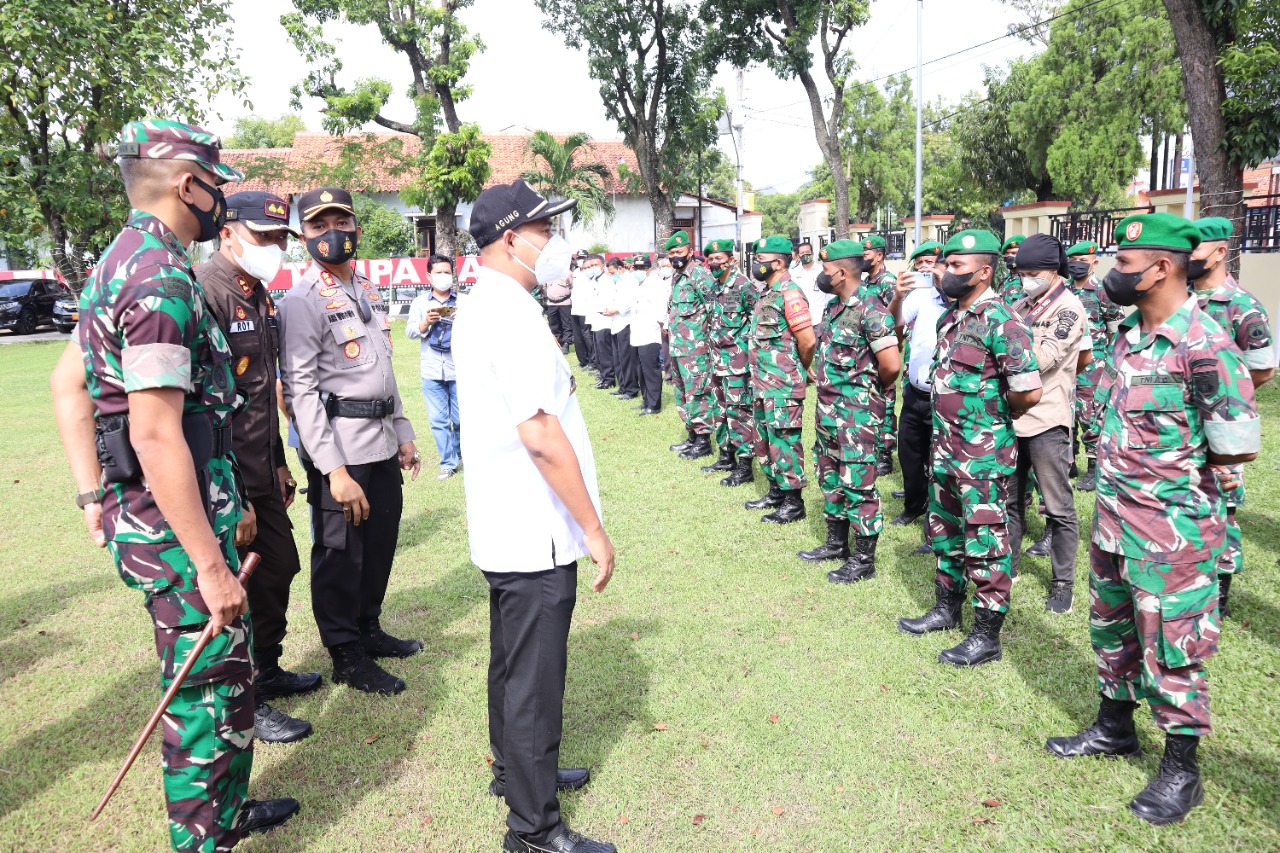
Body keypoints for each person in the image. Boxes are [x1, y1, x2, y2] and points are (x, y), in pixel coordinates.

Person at [51, 119, 298, 850]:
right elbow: (155, 434)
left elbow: (70, 384)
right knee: (204, 695)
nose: (222, 199)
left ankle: (226, 810)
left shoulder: (124, 258)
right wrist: (211, 564)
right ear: (188, 185)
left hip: (164, 519)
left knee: (225, 678)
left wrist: (93, 495)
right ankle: (204, 837)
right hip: (177, 533)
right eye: (217, 185)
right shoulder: (158, 278)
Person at [1046, 212, 1260, 826]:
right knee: (1112, 628)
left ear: (1162, 268)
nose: (1114, 273)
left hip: (1173, 530)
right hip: (1114, 517)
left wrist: (1168, 483)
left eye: (1125, 265)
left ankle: (1181, 770)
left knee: (1174, 647)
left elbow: (1235, 445)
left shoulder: (1206, 345)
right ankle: (1114, 727)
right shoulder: (1126, 333)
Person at [454, 179, 617, 853]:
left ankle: (521, 772)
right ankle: (534, 827)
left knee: (510, 662)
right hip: (537, 527)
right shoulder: (510, 312)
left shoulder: (487, 302)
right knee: (533, 679)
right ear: (512, 238)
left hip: (508, 522)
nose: (554, 243)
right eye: (545, 231)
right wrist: (594, 529)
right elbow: (542, 433)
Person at [278, 187, 423, 696]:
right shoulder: (301, 301)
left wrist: (403, 432)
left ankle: (368, 628)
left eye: (341, 221)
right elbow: (300, 391)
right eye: (319, 226)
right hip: (339, 448)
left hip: (382, 440)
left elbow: (384, 368)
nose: (332, 233)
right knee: (341, 554)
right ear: (304, 238)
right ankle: (345, 654)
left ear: (356, 227)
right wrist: (333, 471)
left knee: (379, 543)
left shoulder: (365, 288)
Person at [197, 190, 318, 745]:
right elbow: (204, 407)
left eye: (278, 239)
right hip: (224, 482)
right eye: (262, 237)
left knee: (279, 568)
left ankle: (265, 672)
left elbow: (258, 394)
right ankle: (250, 696)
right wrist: (237, 496)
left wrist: (277, 466)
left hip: (260, 469)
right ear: (227, 233)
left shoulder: (257, 293)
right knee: (245, 585)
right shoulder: (206, 293)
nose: (273, 248)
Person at [897, 229, 1042, 668]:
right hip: (944, 450)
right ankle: (946, 607)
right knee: (945, 532)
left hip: (983, 455)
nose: (945, 272)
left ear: (983, 271)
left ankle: (986, 634)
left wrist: (987, 419)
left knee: (985, 540)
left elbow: (1028, 392)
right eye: (945, 265)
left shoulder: (1004, 321)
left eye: (956, 266)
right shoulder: (950, 319)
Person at [1187, 216, 1275, 617]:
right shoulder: (1183, 299)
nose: (1188, 258)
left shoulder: (1242, 306)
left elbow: (1261, 369)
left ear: (1220, 252)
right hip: (1182, 429)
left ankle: (1220, 589)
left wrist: (1222, 403)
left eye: (1196, 250)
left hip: (1222, 427)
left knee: (1223, 506)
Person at [798, 240, 901, 582]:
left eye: (827, 271)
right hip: (828, 412)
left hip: (856, 415)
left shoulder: (872, 309)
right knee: (830, 477)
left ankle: (863, 560)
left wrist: (863, 394)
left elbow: (890, 366)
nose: (823, 276)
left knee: (858, 483)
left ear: (841, 273)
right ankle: (836, 543)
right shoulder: (833, 307)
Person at [1003, 234, 1085, 614]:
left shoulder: (1068, 308)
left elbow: (1045, 357)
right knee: (1011, 500)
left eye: (1032, 273)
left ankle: (1062, 584)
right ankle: (1011, 567)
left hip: (1046, 421)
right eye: (1021, 273)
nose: (1025, 279)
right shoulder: (1023, 302)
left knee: (1058, 507)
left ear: (1053, 272)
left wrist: (1000, 353)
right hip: (1013, 418)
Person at [744, 235, 816, 524]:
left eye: (760, 260)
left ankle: (793, 502)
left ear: (777, 262)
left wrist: (797, 369)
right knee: (765, 440)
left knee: (785, 441)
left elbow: (807, 341)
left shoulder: (791, 294)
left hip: (783, 386)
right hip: (762, 383)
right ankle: (776, 491)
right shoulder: (767, 293)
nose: (755, 265)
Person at [887, 242, 947, 556]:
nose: (929, 269)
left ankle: (938, 529)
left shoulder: (967, 301)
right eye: (924, 263)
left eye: (936, 263)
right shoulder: (922, 295)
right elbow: (893, 322)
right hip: (915, 393)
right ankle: (913, 506)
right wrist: (898, 296)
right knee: (909, 455)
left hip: (947, 399)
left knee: (941, 465)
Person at [1065, 240, 1125, 491]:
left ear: (1095, 262)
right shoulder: (1063, 290)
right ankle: (1069, 462)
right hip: (1067, 364)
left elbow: (1116, 330)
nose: (1077, 265)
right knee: (1066, 413)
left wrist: (1106, 361)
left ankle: (1093, 467)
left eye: (1082, 260)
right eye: (1073, 261)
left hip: (1094, 366)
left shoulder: (1103, 291)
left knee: (1090, 415)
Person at [703, 238, 760, 485]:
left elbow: (756, 322)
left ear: (731, 260)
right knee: (720, 411)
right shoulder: (714, 286)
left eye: (719, 258)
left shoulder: (744, 286)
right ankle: (727, 456)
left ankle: (745, 466)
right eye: (711, 259)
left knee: (740, 413)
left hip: (738, 363)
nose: (715, 263)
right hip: (716, 360)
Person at [406, 254, 462, 480]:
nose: (443, 276)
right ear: (428, 276)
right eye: (438, 273)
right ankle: (448, 463)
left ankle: (460, 454)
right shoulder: (420, 303)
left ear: (453, 274)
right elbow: (410, 332)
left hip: (458, 368)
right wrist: (425, 322)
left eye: (447, 272)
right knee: (438, 420)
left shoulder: (463, 301)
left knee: (461, 418)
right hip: (431, 369)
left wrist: (463, 321)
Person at [665, 230, 719, 460]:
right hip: (678, 347)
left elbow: (713, 311)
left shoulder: (700, 275)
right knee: (682, 392)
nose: (675, 256)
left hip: (696, 349)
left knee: (697, 392)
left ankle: (703, 440)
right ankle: (692, 435)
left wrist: (709, 344)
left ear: (690, 251)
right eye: (671, 253)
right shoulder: (677, 276)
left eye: (679, 251)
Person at [860, 235, 899, 476]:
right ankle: (871, 447)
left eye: (866, 255)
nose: (863, 259)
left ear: (879, 255)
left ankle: (885, 454)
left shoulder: (887, 282)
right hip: (868, 351)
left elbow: (895, 317)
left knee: (886, 401)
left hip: (884, 348)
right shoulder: (866, 281)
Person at [630, 251, 669, 416]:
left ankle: (654, 405)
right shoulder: (637, 284)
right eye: (636, 267)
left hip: (650, 332)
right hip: (637, 333)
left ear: (648, 269)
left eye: (642, 267)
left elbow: (661, 309)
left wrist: (663, 326)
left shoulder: (655, 284)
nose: (638, 270)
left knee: (650, 370)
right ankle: (646, 399)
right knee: (640, 369)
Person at [606, 256, 642, 400]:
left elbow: (630, 301)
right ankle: (623, 386)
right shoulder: (618, 281)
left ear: (620, 268)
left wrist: (617, 310)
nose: (611, 275)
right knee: (618, 357)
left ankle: (631, 388)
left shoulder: (630, 280)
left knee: (627, 358)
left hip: (626, 322)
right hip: (616, 322)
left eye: (612, 272)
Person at [591, 259, 620, 390]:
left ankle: (609, 379)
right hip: (597, 319)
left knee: (605, 352)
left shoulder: (607, 280)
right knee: (599, 351)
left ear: (602, 265)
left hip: (606, 320)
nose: (593, 268)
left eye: (595, 265)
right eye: (591, 266)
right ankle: (603, 377)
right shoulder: (595, 280)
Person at [569, 256, 597, 369]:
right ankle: (583, 360)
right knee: (578, 337)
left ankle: (593, 361)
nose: (587, 269)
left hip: (586, 310)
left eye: (589, 266)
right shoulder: (576, 272)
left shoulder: (593, 276)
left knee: (587, 336)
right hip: (575, 308)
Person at [791, 239, 827, 319]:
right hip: (800, 317)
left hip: (819, 316)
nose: (805, 255)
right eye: (802, 253)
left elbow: (828, 294)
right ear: (798, 255)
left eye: (807, 252)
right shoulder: (793, 273)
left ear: (812, 253)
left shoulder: (822, 271)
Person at [544, 265, 573, 354]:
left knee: (566, 324)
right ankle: (559, 342)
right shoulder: (547, 275)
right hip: (552, 304)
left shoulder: (567, 273)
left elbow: (572, 286)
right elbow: (545, 288)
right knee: (553, 325)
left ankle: (566, 344)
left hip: (565, 303)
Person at [1000, 234, 1028, 307]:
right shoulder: (1004, 280)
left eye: (1014, 253)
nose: (1009, 256)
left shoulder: (1028, 280)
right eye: (1007, 253)